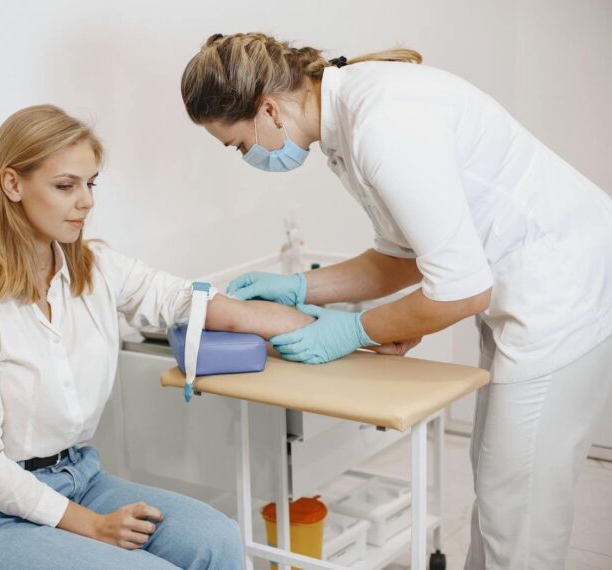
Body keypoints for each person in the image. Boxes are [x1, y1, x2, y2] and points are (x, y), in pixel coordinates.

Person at [180, 32, 612, 569]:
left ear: (268, 109)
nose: (248, 156)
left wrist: (353, 330)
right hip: (525, 291)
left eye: (239, 144)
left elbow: (461, 289)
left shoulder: (384, 124)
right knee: (497, 483)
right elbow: (403, 256)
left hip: (562, 297)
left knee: (518, 509)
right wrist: (298, 288)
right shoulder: (350, 115)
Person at [0, 104, 321, 569]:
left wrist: (325, 329)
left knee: (218, 539)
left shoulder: (96, 268)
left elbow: (181, 299)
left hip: (79, 478)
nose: (86, 201)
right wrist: (92, 525)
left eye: (90, 184)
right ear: (12, 184)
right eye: (66, 186)